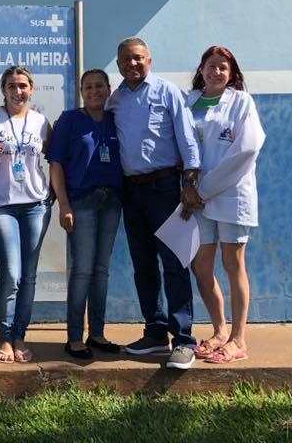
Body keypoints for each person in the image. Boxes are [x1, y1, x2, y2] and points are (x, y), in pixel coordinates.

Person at [106, 37, 202, 370]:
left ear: (149, 59)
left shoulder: (167, 92)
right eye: (125, 60)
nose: (132, 64)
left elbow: (187, 139)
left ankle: (184, 340)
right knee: (143, 265)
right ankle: (155, 330)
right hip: (131, 192)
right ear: (118, 65)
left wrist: (189, 183)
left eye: (138, 58)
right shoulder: (114, 101)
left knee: (175, 263)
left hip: (165, 187)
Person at [183, 45, 265, 364]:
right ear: (201, 69)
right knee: (201, 265)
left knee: (233, 265)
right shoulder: (187, 102)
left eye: (223, 67)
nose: (217, 71)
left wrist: (207, 187)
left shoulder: (241, 102)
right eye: (211, 65)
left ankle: (238, 339)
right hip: (196, 197)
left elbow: (246, 149)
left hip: (230, 194)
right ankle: (219, 331)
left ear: (232, 74)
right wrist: (191, 187)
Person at [47, 69, 125, 359]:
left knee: (101, 271)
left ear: (108, 89)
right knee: (82, 270)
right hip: (81, 202)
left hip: (111, 201)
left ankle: (98, 334)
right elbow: (56, 164)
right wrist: (64, 204)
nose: (94, 91)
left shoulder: (115, 120)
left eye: (99, 86)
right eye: (88, 87)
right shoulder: (69, 120)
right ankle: (74, 337)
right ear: (81, 91)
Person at [0, 66, 52, 363]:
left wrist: (54, 193)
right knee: (10, 274)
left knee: (29, 276)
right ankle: (4, 336)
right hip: (0, 206)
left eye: (23, 85)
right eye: (12, 86)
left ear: (31, 89)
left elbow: (54, 158)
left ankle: (20, 336)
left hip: (35, 206)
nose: (18, 91)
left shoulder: (40, 122)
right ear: (3, 89)